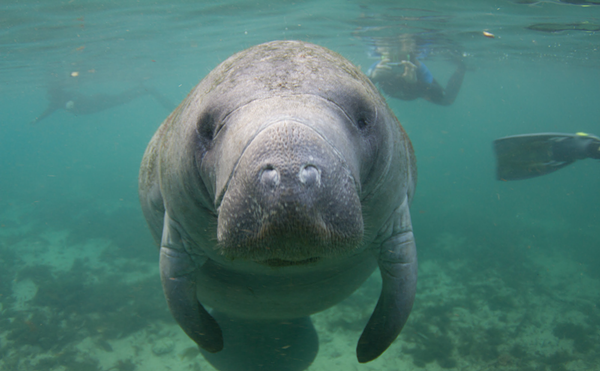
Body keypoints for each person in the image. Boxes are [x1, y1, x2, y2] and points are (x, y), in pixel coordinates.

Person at [367, 35, 466, 106]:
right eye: (390, 59)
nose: (396, 63)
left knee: (447, 101)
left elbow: (441, 96)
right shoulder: (377, 67)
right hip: (406, 94)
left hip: (413, 93)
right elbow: (358, 89)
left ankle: (461, 68)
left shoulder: (417, 68)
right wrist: (373, 79)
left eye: (402, 58)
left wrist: (415, 83)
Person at [31, 84, 175, 124]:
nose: (49, 97)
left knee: (122, 99)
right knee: (122, 99)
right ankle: (144, 89)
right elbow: (47, 113)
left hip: (98, 102)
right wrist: (37, 120)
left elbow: (80, 97)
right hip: (96, 105)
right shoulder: (56, 103)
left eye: (51, 94)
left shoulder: (67, 95)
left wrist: (73, 101)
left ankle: (146, 90)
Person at [493, 132, 600, 181]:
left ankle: (509, 162)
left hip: (555, 151)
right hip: (555, 152)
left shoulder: (589, 142)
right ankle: (509, 163)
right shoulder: (590, 143)